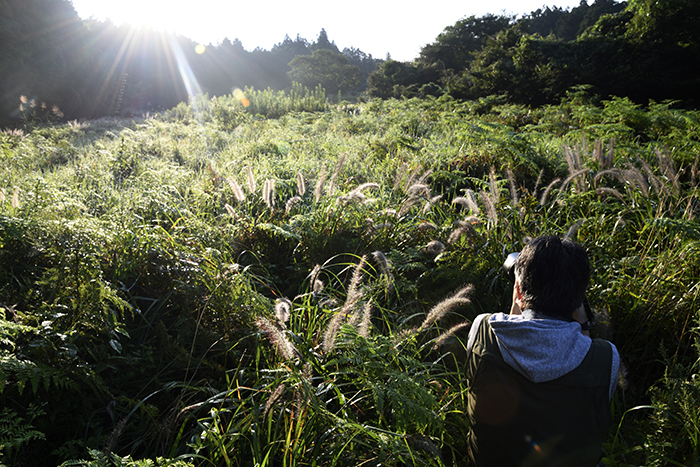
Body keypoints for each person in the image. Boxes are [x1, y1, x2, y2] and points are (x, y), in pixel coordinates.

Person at [465, 236, 620, 466]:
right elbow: (583, 352)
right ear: (578, 298)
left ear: (518, 291)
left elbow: (512, 331)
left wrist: (518, 299)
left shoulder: (482, 330)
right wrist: (584, 324)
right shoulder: (607, 358)